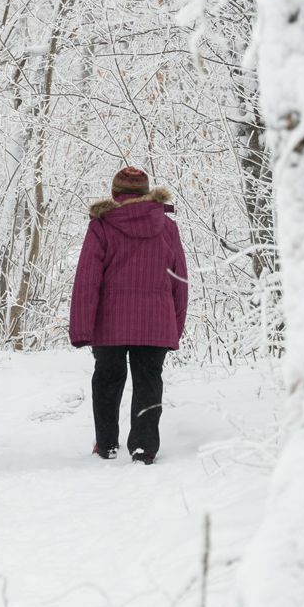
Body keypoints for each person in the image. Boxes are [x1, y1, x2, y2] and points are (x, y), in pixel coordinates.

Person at [68, 165, 188, 463]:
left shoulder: (102, 226)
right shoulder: (167, 227)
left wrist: (82, 328)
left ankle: (107, 444)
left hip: (110, 322)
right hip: (155, 322)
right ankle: (144, 448)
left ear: (115, 193)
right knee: (149, 381)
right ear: (147, 193)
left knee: (107, 379)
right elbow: (179, 280)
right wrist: (175, 325)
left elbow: (87, 279)